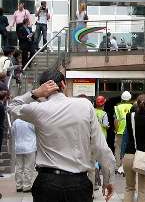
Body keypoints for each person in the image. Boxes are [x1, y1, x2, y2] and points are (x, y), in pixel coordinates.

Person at [7, 70, 115, 201]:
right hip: (78, 183)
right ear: (63, 85)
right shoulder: (85, 105)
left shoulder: (37, 109)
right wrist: (108, 180)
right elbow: (100, 147)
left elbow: (12, 106)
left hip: (47, 183)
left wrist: (35, 93)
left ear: (42, 88)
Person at [123, 94, 145, 202]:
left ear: (136, 103)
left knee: (129, 187)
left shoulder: (129, 116)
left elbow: (129, 134)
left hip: (129, 154)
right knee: (142, 189)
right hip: (144, 154)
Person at [12, 119, 37, 193]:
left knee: (19, 168)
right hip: (30, 147)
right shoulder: (30, 121)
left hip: (18, 147)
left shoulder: (15, 122)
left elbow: (13, 133)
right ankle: (26, 186)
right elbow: (37, 132)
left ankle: (18, 186)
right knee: (28, 168)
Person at [114, 91, 133, 170]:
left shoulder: (117, 107)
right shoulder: (133, 106)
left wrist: (116, 130)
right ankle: (127, 166)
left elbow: (116, 120)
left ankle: (118, 165)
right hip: (130, 131)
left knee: (118, 148)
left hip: (120, 130)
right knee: (128, 148)